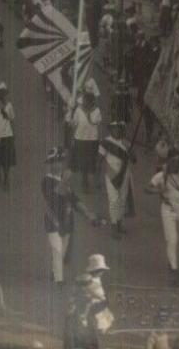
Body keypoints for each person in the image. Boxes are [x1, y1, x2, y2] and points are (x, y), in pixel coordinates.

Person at [41, 148, 101, 285]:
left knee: (62, 250)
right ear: (49, 164)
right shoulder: (46, 181)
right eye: (54, 162)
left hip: (67, 221)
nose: (57, 165)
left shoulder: (64, 179)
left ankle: (55, 270)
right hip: (53, 221)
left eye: (60, 161)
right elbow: (55, 196)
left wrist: (88, 214)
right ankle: (59, 281)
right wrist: (65, 181)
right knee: (57, 249)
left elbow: (73, 199)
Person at [146, 148, 179, 286]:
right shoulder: (161, 175)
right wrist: (159, 190)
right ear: (169, 161)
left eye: (178, 161)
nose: (176, 164)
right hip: (168, 209)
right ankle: (174, 270)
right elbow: (147, 188)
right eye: (173, 161)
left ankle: (172, 261)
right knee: (172, 240)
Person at [98, 122, 136, 239]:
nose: (116, 130)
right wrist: (98, 177)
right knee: (114, 199)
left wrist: (130, 150)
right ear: (111, 129)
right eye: (114, 128)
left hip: (125, 174)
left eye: (119, 128)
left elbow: (134, 159)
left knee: (122, 199)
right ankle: (114, 226)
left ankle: (120, 222)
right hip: (111, 174)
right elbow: (100, 159)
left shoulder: (126, 142)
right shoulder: (105, 142)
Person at [69, 91, 102, 193]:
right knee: (83, 160)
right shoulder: (78, 110)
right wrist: (71, 121)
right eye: (84, 101)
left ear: (91, 101)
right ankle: (84, 180)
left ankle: (91, 178)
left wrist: (88, 116)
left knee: (91, 160)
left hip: (92, 140)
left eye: (87, 101)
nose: (85, 103)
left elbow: (96, 122)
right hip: (80, 139)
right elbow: (74, 123)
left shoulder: (96, 111)